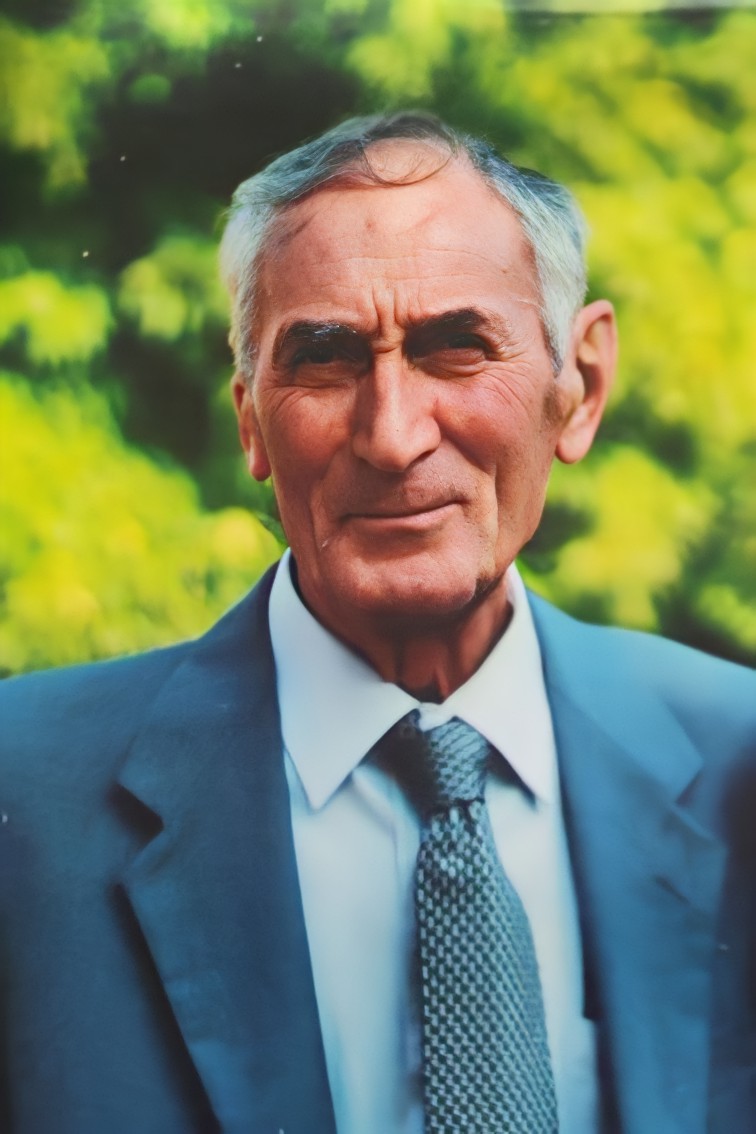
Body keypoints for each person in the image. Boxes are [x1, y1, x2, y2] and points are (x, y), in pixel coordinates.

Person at [1, 112, 754, 1134]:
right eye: (325, 359)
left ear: (578, 388)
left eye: (457, 348)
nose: (393, 436)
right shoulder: (24, 797)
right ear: (250, 418)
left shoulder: (739, 763)